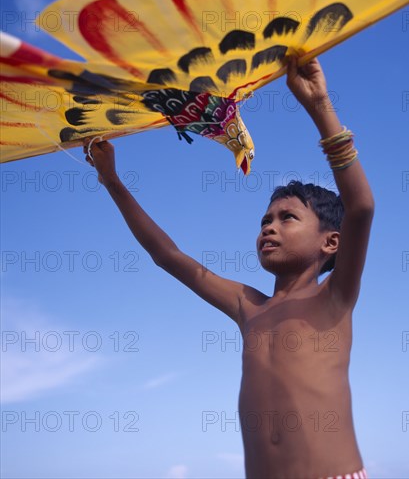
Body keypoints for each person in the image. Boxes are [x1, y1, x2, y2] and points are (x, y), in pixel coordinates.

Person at [84, 55, 375, 479]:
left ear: (331, 242)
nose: (269, 228)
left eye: (287, 218)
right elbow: (168, 256)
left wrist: (319, 107)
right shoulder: (248, 306)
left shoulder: (336, 298)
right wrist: (112, 179)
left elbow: (361, 207)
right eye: (264, 221)